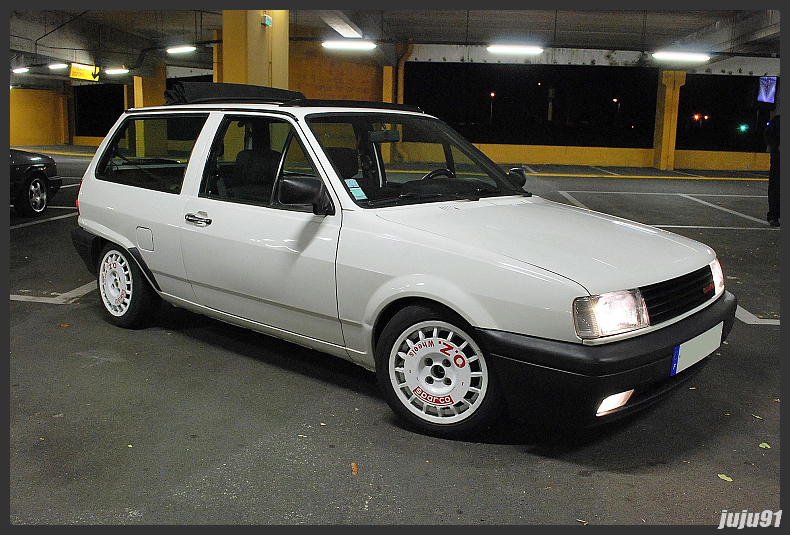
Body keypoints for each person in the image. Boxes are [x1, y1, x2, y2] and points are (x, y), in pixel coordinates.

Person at [765, 114, 780, 227]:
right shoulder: (778, 121)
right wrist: (776, 146)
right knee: (776, 189)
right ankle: (773, 216)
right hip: (778, 160)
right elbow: (768, 135)